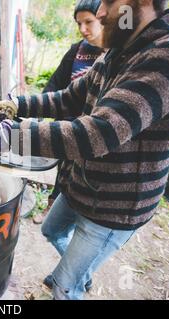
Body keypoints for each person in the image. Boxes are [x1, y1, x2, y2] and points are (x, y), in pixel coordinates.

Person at [0, 0, 169, 300]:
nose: (101, 12)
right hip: (85, 185)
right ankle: (78, 271)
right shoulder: (118, 51)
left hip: (116, 208)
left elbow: (97, 133)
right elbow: (68, 99)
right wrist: (18, 105)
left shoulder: (167, 58)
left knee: (64, 288)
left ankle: (72, 280)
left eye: (109, 1)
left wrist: (10, 137)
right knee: (51, 230)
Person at [44, 0, 106, 204]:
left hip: (92, 132)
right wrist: (35, 111)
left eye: (88, 22)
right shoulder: (77, 50)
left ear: (104, 17)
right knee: (63, 166)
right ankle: (55, 200)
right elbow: (56, 83)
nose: (83, 29)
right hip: (68, 123)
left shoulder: (112, 57)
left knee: (80, 174)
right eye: (79, 24)